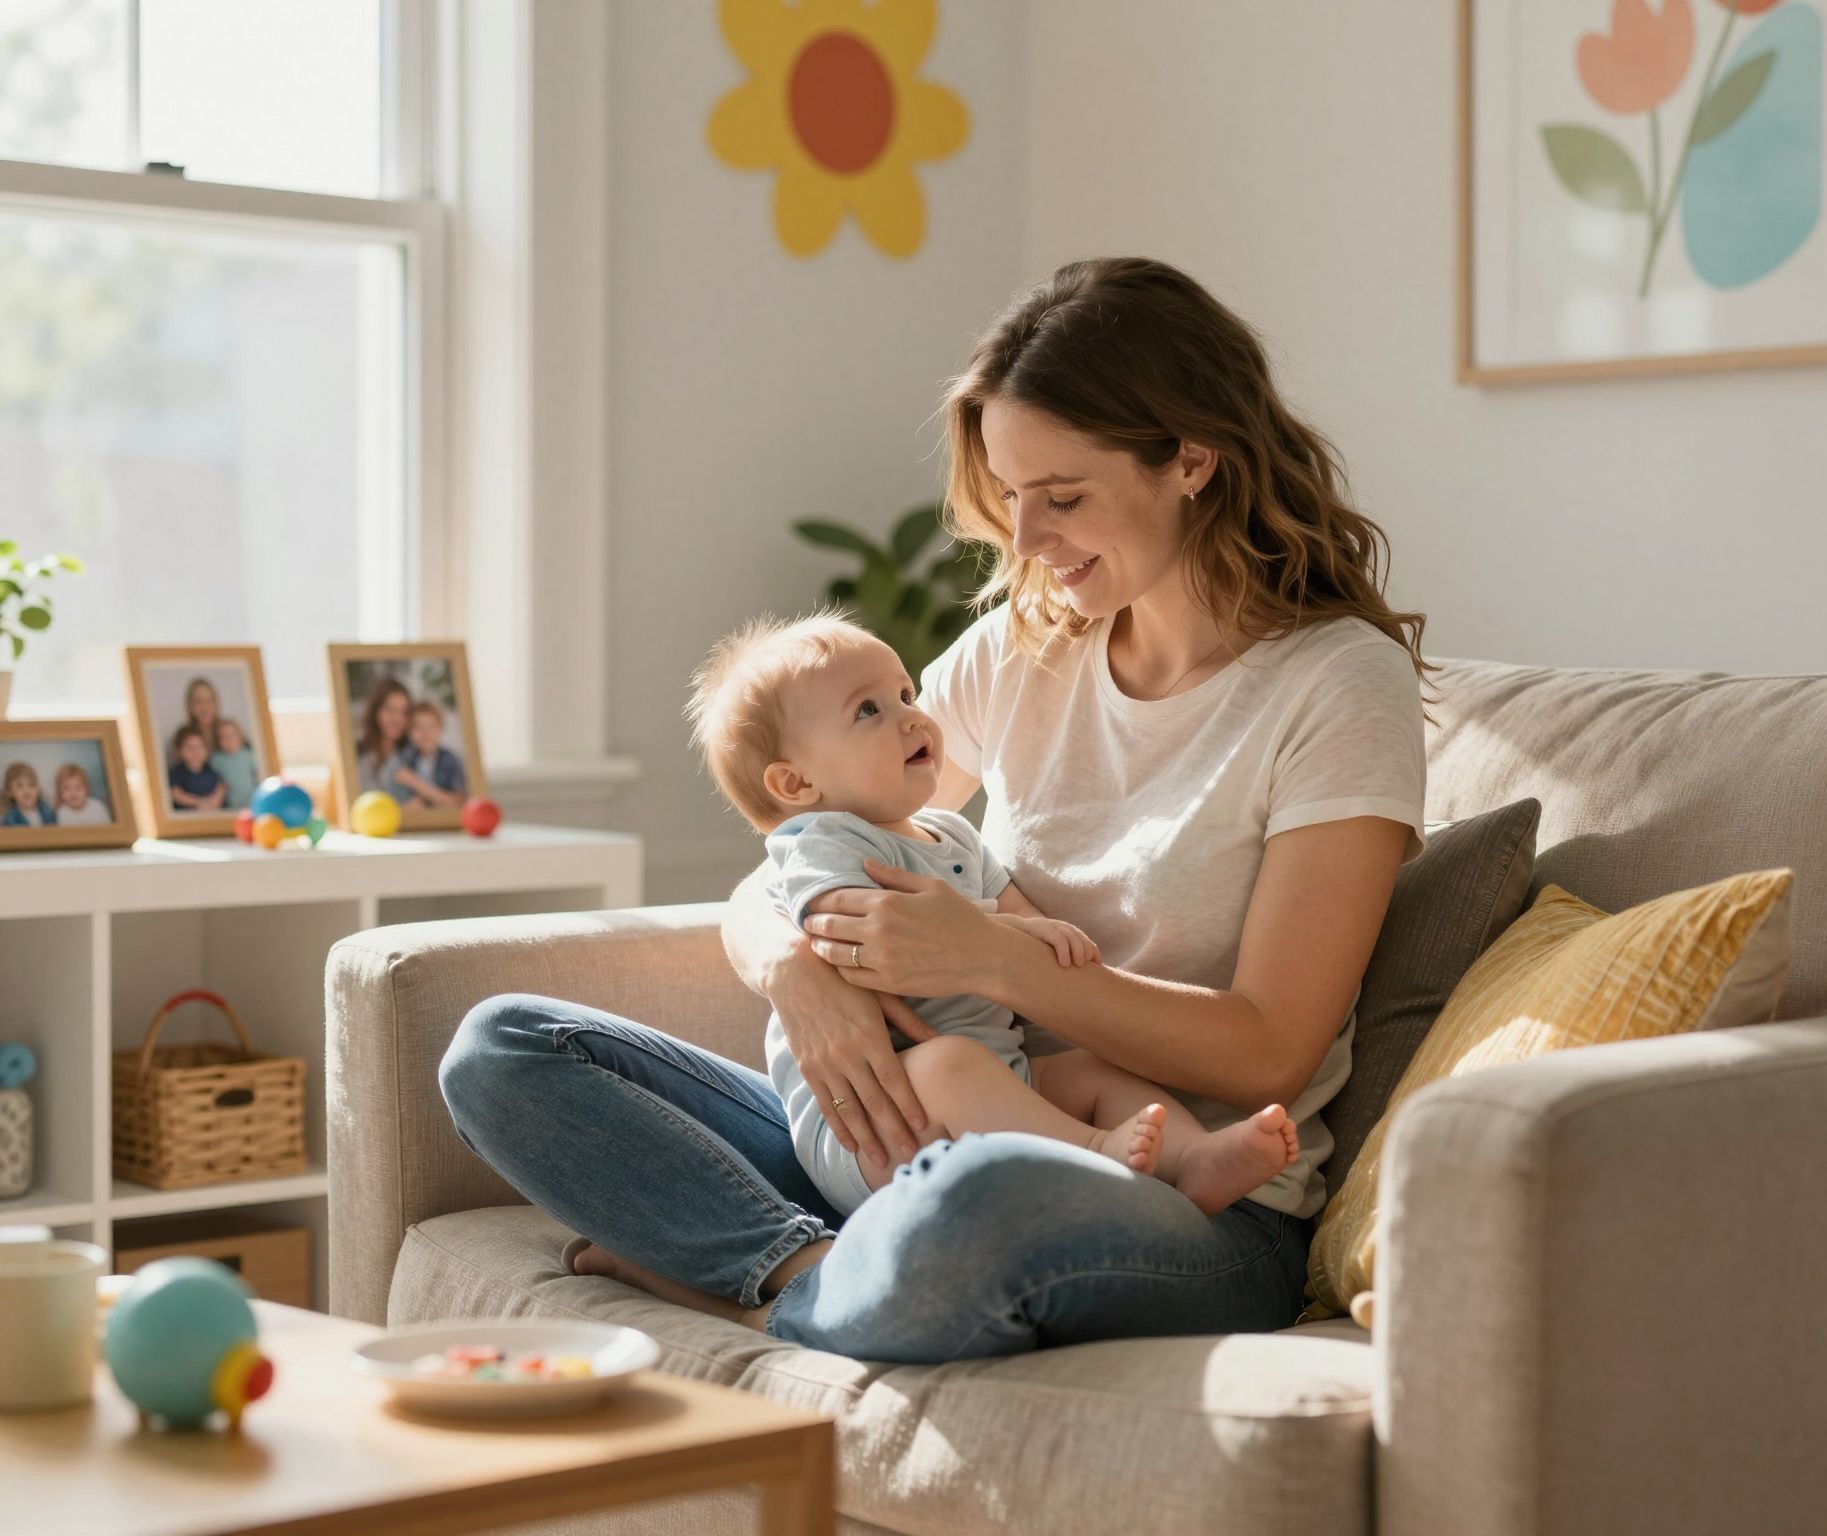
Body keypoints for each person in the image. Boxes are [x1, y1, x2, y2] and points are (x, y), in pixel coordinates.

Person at [440, 257, 1429, 1363]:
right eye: (1011, 497)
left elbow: (1269, 1052)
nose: (1027, 540)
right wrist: (795, 970)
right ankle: (806, 1267)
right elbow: (804, 847)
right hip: (937, 1122)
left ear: (1191, 459)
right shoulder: (1026, 648)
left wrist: (996, 961)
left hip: (1188, 1202)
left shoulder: (1337, 685)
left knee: (973, 1205)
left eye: (1063, 498)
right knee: (503, 1050)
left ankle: (747, 1289)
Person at [685, 610, 1301, 1223]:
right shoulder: (824, 844)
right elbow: (848, 930)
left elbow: (1011, 914)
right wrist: (989, 938)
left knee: (1091, 1071)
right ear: (794, 785)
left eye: (904, 694)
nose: (911, 716)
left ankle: (1191, 1157)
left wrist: (1036, 935)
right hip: (882, 1116)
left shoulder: (950, 833)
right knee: (951, 1066)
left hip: (1001, 1077)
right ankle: (1096, 1154)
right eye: (868, 710)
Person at [354, 677, 415, 799]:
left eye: (404, 712)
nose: (398, 719)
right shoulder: (357, 754)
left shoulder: (413, 754)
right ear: (376, 712)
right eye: (391, 710)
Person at [397, 701, 467, 806]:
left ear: (440, 729)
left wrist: (416, 784)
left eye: (431, 726)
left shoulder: (451, 760)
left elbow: (457, 801)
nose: (425, 733)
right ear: (409, 732)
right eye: (418, 727)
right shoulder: (404, 760)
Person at [166, 725, 226, 812]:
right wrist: (198, 802)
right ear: (179, 751)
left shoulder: (209, 769)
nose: (195, 752)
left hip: (212, 811)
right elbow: (175, 793)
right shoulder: (178, 772)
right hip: (189, 814)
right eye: (190, 747)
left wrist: (215, 800)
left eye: (200, 747)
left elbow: (221, 786)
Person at [209, 719, 259, 810]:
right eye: (224, 737)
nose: (229, 740)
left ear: (240, 738)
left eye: (233, 735)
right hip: (230, 803)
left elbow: (257, 774)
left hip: (251, 798)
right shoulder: (216, 759)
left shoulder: (249, 755)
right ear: (218, 741)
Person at [2, 762, 55, 827]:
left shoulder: (48, 811)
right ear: (9, 792)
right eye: (19, 786)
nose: (27, 790)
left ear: (38, 789)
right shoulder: (10, 818)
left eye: (32, 785)